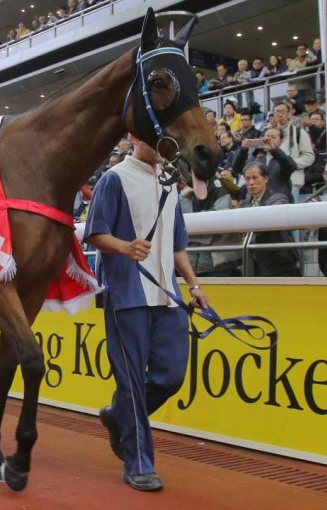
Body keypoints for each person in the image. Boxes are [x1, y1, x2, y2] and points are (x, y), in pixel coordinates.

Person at [83, 137, 209, 492]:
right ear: (136, 139)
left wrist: (194, 285)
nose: (164, 146)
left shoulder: (169, 181)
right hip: (126, 295)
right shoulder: (114, 178)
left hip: (168, 296)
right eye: (155, 139)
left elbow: (176, 243)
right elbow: (94, 232)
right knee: (133, 383)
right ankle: (138, 462)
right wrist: (125, 246)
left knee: (171, 376)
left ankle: (117, 416)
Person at [238, 162, 300, 276]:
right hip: (255, 266)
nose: (251, 183)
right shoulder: (244, 204)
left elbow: (270, 219)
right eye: (247, 179)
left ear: (265, 178)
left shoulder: (278, 199)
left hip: (281, 265)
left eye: (255, 178)